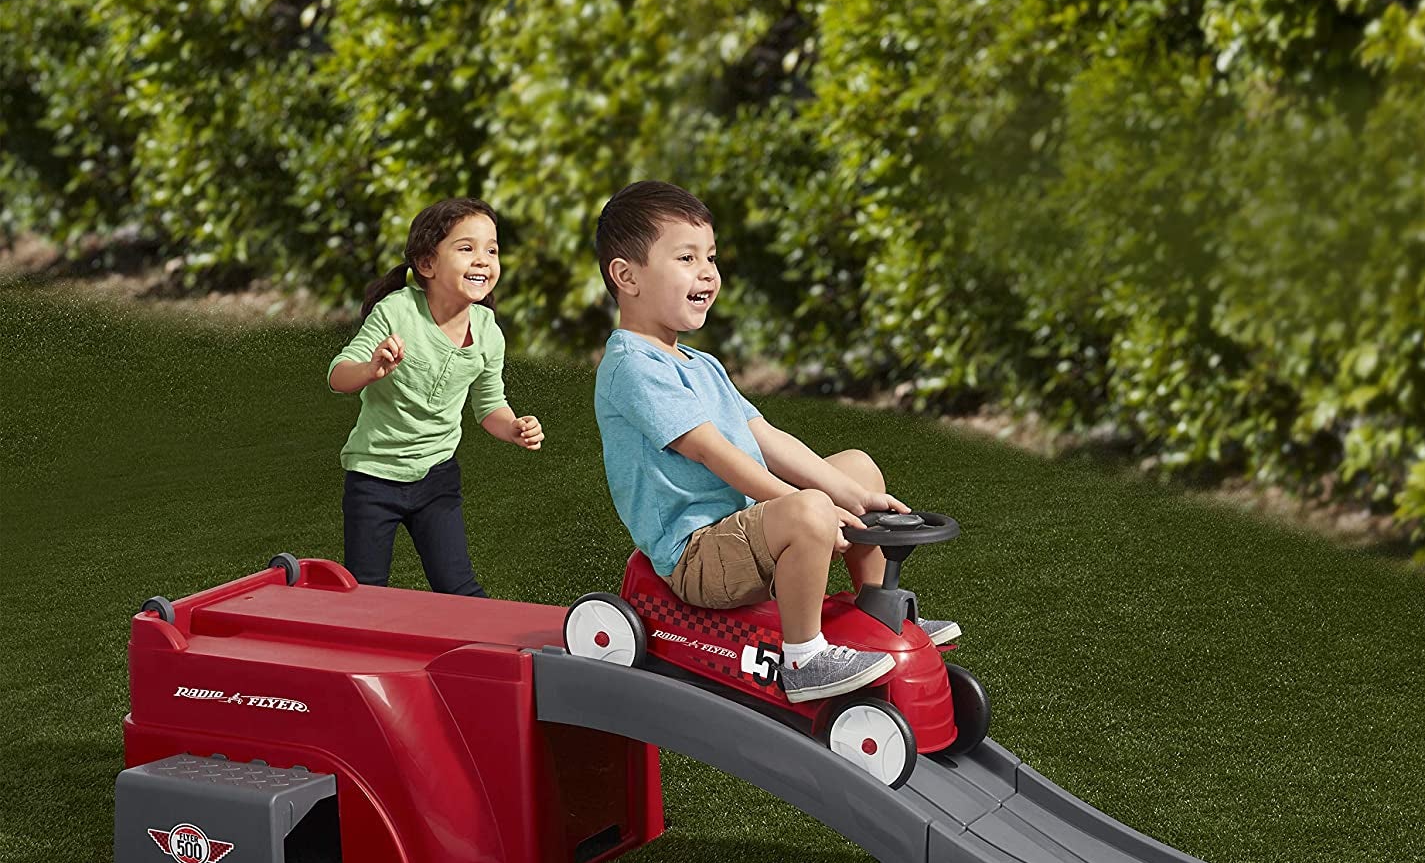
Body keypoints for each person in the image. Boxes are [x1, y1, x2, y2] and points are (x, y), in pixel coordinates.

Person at [593, 180, 958, 703]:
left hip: (741, 534)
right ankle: (804, 658)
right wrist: (807, 507)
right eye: (686, 258)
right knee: (807, 507)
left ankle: (876, 609)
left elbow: (762, 437)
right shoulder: (633, 366)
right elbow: (712, 452)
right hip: (696, 554)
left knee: (857, 467)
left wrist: (854, 499)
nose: (707, 273)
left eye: (711, 258)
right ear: (627, 277)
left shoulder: (701, 364)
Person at [328, 197, 543, 596]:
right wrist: (370, 369)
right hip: (374, 477)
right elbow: (339, 376)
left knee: (459, 588)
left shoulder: (488, 331)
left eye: (491, 250)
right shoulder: (397, 311)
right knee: (366, 591)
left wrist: (513, 426)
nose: (483, 260)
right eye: (466, 248)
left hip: (437, 477)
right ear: (427, 264)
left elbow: (489, 405)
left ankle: (484, 654)